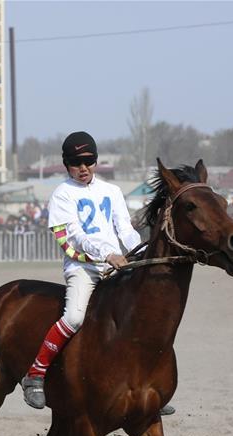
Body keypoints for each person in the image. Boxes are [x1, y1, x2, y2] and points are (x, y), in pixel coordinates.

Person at [20, 132, 142, 410]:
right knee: (74, 317)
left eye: (88, 161)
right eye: (76, 162)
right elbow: (75, 236)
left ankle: (140, 380)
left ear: (96, 161)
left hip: (116, 264)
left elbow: (125, 229)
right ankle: (35, 374)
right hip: (83, 266)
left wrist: (140, 252)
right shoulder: (62, 194)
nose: (83, 167)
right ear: (66, 165)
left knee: (139, 314)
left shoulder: (112, 191)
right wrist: (107, 254)